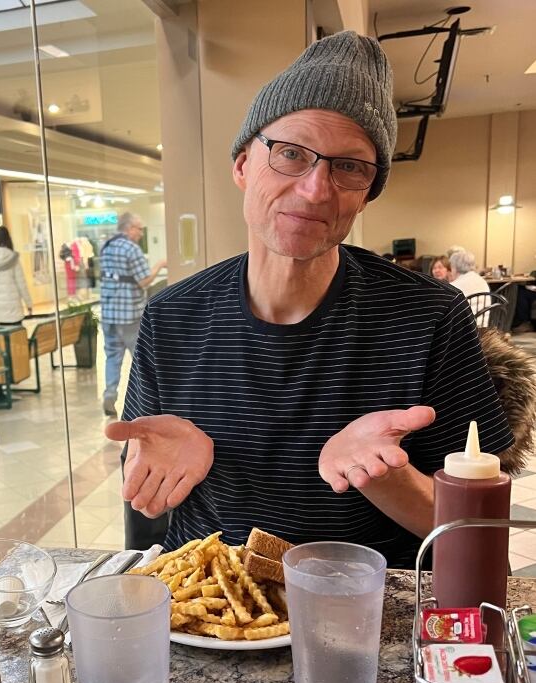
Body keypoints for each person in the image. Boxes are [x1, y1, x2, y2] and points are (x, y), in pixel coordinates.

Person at [104, 30, 513, 568]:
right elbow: (145, 495)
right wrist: (155, 475)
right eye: (291, 153)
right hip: (210, 611)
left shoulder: (430, 316)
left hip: (361, 615)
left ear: (367, 192)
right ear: (243, 164)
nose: (316, 189)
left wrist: (387, 479)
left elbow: (479, 539)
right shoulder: (171, 316)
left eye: (348, 167)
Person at [99, 213, 167, 418]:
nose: (141, 233)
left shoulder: (106, 246)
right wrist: (160, 265)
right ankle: (143, 405)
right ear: (129, 228)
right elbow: (143, 280)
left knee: (112, 356)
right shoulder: (131, 249)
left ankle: (110, 394)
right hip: (128, 313)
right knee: (141, 360)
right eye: (139, 229)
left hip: (108, 312)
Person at [0, 226, 33, 327]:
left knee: (1, 336)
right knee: (16, 336)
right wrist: (28, 304)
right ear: (9, 239)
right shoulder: (13, 257)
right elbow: (21, 284)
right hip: (13, 306)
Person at [449, 249, 490, 321]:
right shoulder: (482, 281)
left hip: (467, 329)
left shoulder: (454, 286)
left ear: (455, 268)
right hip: (485, 326)